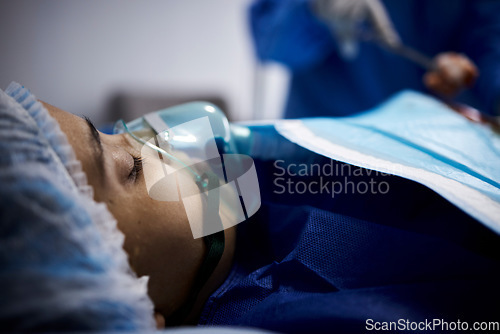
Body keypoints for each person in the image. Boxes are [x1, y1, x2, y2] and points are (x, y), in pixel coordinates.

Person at [2, 82, 500, 333]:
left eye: (114, 129)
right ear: (125, 299)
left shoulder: (256, 171)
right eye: (131, 168)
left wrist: (436, 126)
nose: (146, 134)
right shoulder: (287, 314)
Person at [249, 0, 500, 118]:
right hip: (321, 168)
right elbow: (268, 41)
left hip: (429, 166)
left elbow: (489, 42)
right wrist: (314, 8)